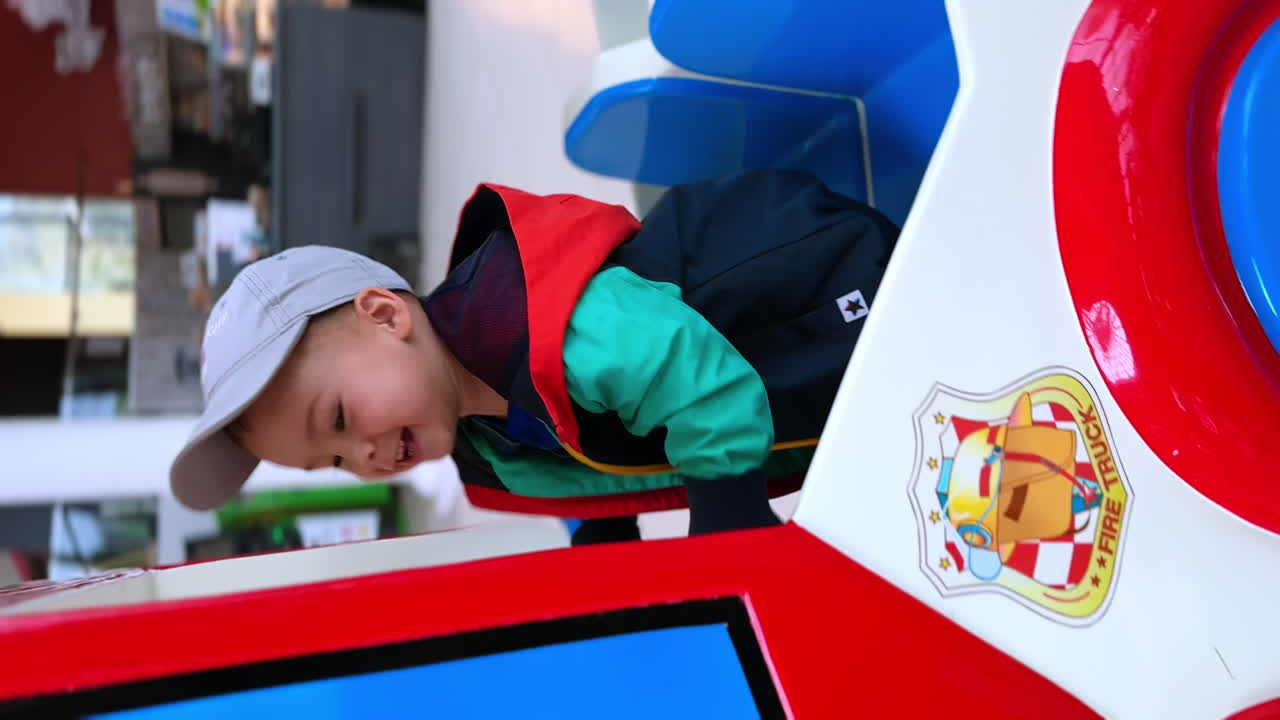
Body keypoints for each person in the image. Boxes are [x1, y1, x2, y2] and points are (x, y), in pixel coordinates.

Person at [169, 169, 898, 544]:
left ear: (386, 314)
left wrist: (726, 514)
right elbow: (577, 458)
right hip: (825, 411)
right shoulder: (484, 442)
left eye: (337, 419)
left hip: (835, 298)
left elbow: (683, 373)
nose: (362, 455)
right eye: (333, 462)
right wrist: (603, 532)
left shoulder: (541, 316)